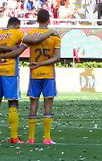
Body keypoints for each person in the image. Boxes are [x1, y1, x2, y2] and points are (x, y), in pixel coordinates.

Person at [26, 9, 61, 145]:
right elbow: (57, 57)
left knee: (33, 103)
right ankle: (47, 138)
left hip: (34, 73)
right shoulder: (55, 37)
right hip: (48, 74)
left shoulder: (31, 34)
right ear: (49, 20)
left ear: (37, 19)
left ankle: (31, 138)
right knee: (48, 104)